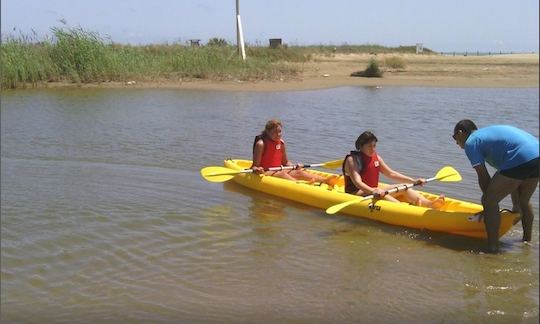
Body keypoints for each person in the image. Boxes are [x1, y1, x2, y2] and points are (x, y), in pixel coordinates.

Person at [453, 119, 539, 253]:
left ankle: (492, 249)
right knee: (523, 201)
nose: (456, 142)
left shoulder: (472, 142)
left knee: (489, 200)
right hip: (536, 154)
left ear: (460, 133)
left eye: (454, 137)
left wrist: (488, 204)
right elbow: (513, 178)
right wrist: (515, 206)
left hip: (521, 156)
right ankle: (526, 242)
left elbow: (483, 175)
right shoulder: (488, 139)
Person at [342, 131, 445, 208]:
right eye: (369, 146)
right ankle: (405, 210)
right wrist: (373, 191)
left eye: (374, 146)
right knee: (384, 194)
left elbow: (391, 174)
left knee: (405, 187)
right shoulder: (352, 160)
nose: (373, 149)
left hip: (374, 191)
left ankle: (429, 205)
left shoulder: (376, 157)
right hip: (356, 194)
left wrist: (414, 181)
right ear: (360, 146)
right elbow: (357, 183)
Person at [251, 119, 338, 185]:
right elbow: (255, 166)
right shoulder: (261, 144)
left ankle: (325, 180)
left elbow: (285, 162)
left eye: (280, 131)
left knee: (300, 172)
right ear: (268, 132)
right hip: (265, 171)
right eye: (275, 132)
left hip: (278, 170)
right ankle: (300, 185)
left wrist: (294, 166)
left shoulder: (281, 143)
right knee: (282, 174)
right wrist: (258, 169)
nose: (278, 134)